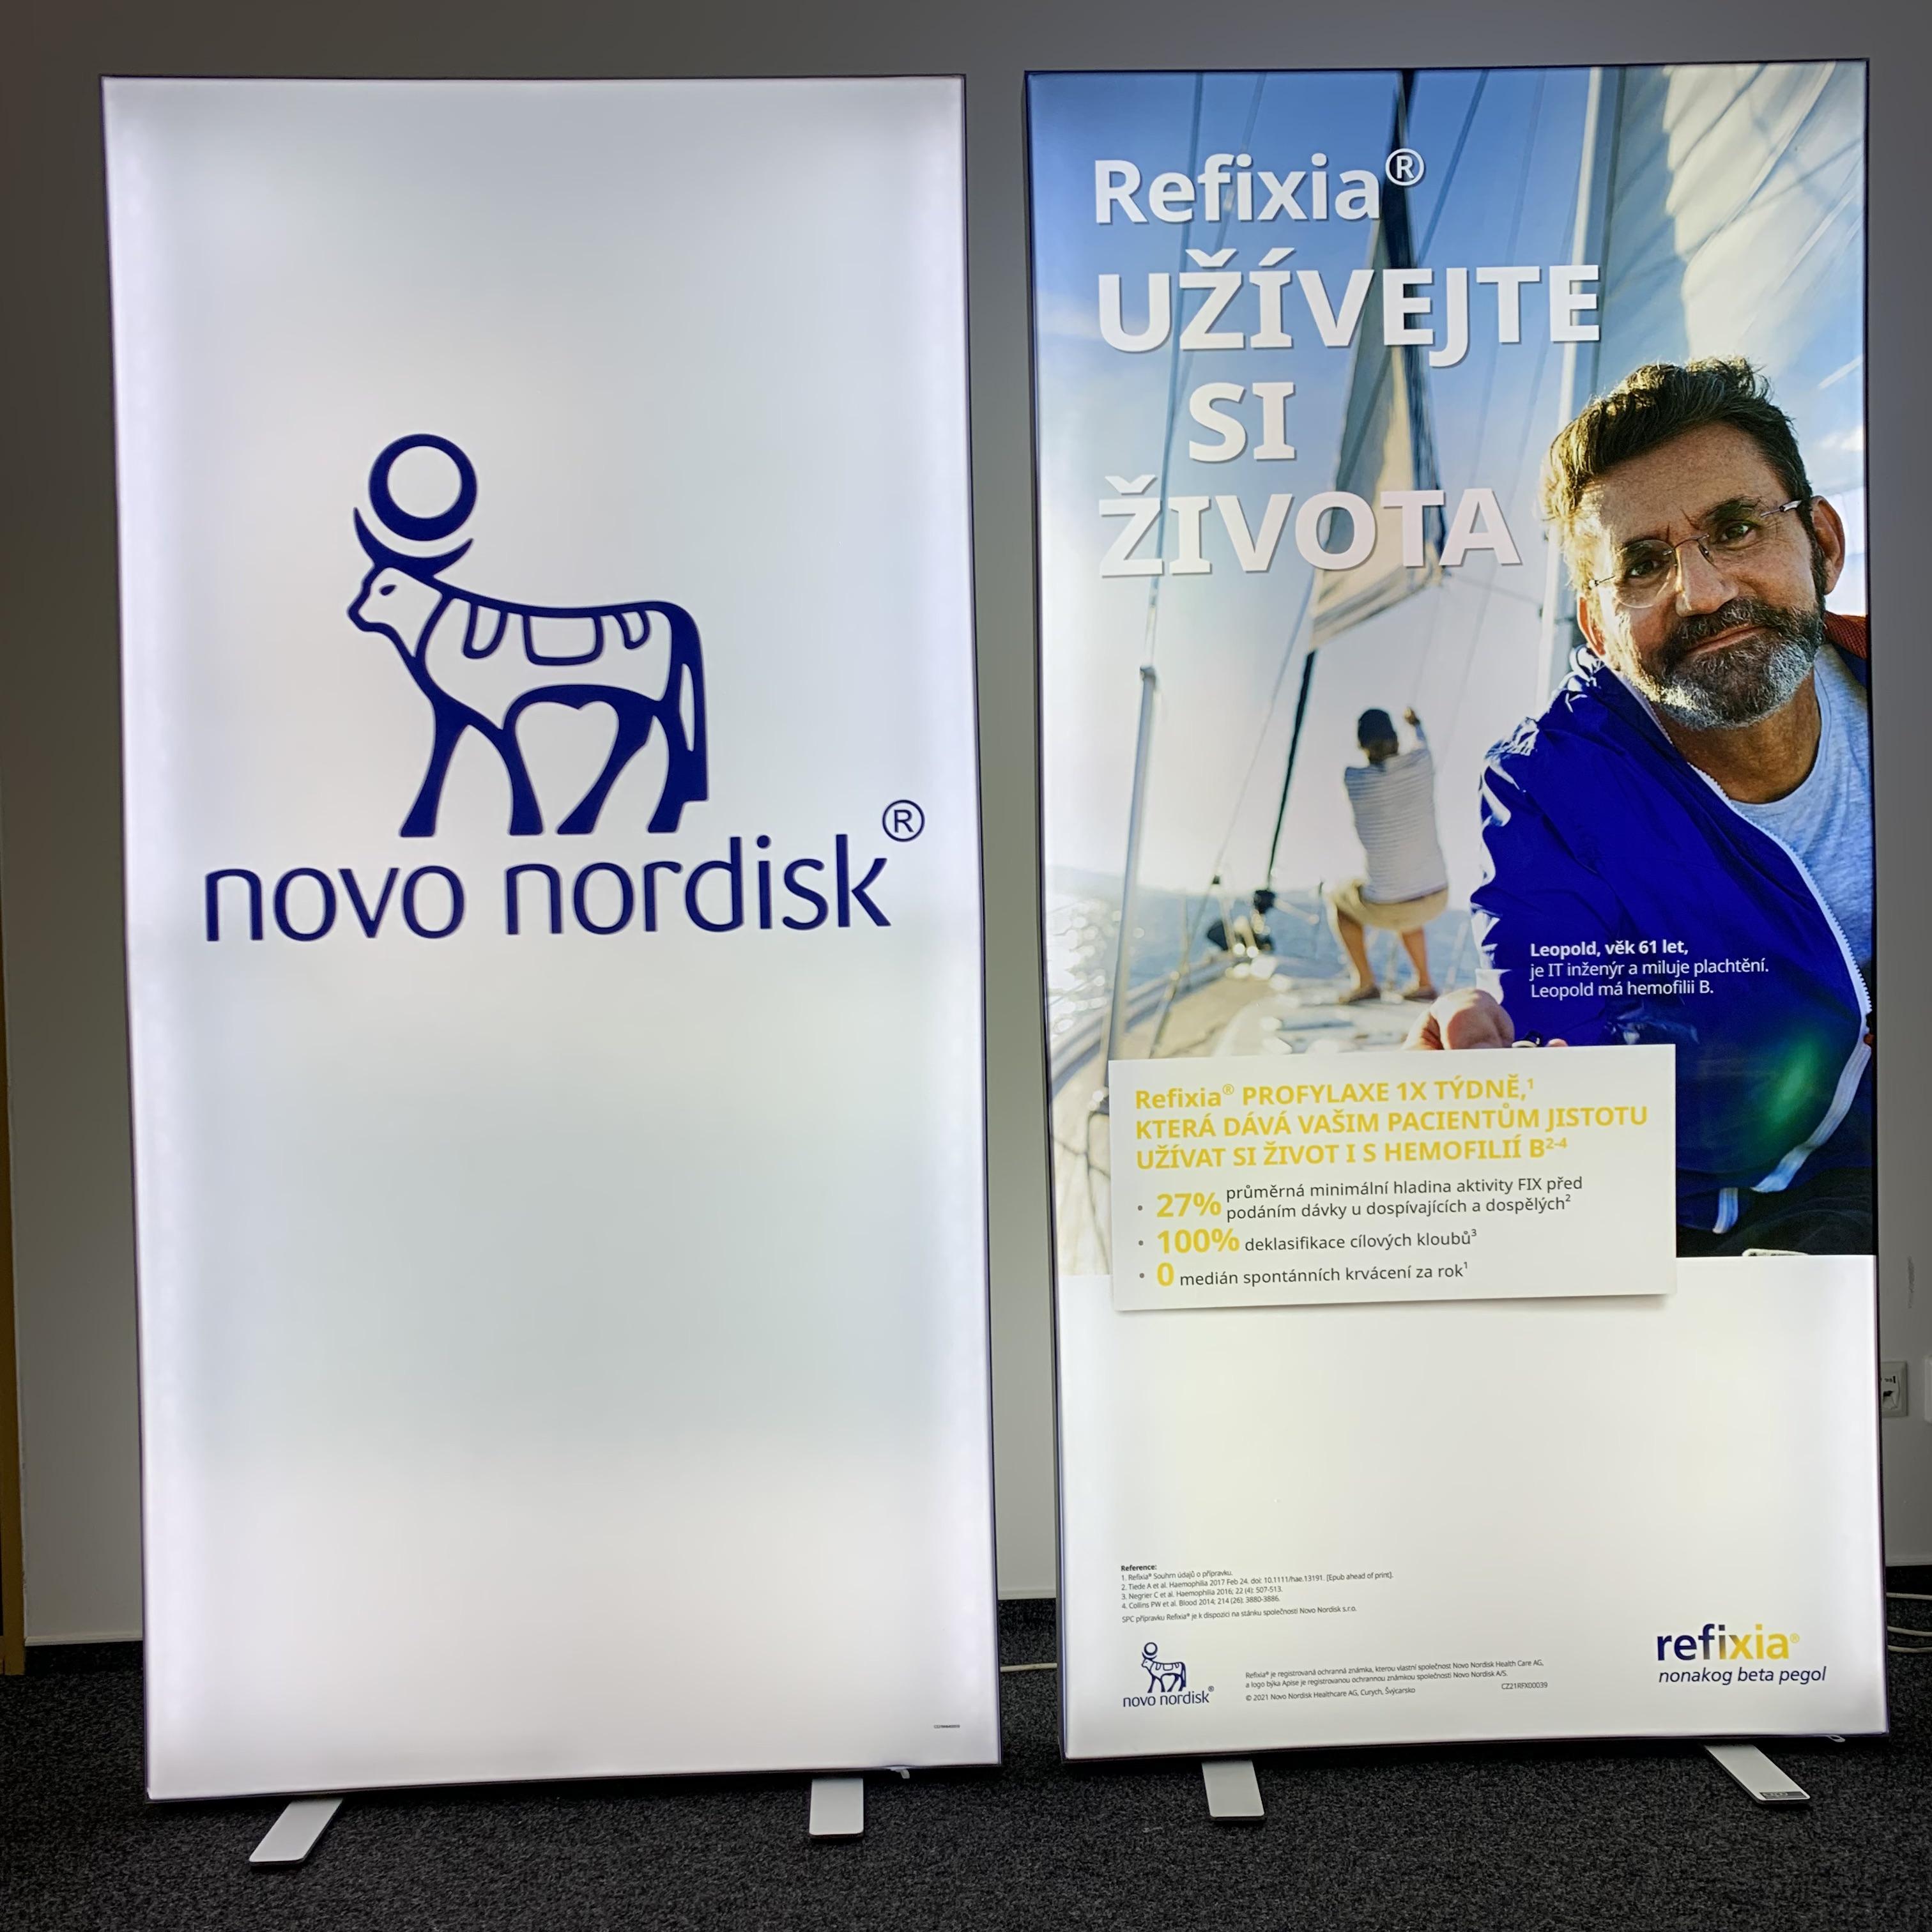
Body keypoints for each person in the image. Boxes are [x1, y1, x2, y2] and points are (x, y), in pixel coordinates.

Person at [1413, 358, 1870, 1256]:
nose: (1702, 593)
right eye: (1643, 564)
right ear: (1598, 629)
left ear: (1821, 541)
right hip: (1726, 1216)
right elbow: (1569, 1067)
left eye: (1735, 529)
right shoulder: (1547, 793)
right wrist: (1491, 1075)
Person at [1324, 706, 1448, 1004]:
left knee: (1337, 898)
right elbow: (1421, 740)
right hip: (1437, 895)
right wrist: (1414, 723)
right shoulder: (1421, 762)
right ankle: (1425, 983)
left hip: (1389, 904)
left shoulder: (1353, 780)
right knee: (1406, 888)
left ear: (1361, 744)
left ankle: (1365, 982)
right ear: (1395, 737)